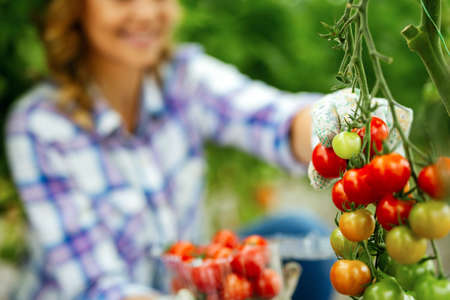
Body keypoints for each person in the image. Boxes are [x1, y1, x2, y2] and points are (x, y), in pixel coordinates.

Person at [5, 0, 411, 299]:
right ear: (77, 9)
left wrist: (332, 122)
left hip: (188, 284)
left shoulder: (183, 78)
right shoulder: (40, 126)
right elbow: (97, 285)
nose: (146, 12)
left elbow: (274, 120)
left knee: (300, 235)